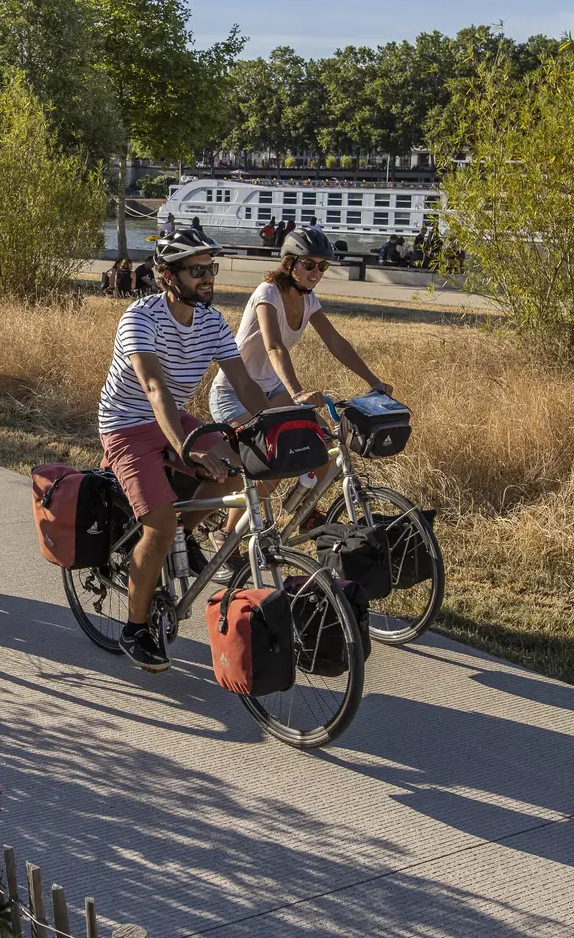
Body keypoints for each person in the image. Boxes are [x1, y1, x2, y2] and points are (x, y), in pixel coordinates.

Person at [97, 228, 271, 671]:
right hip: (127, 427)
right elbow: (153, 386)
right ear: (166, 276)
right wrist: (187, 449)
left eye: (211, 268)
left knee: (238, 469)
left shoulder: (212, 322)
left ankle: (186, 532)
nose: (208, 278)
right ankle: (135, 629)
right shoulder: (140, 318)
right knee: (158, 524)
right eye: (197, 270)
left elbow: (245, 383)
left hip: (175, 419)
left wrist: (279, 425)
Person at [210, 227, 391, 426]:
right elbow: (274, 346)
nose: (316, 273)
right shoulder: (268, 292)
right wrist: (298, 394)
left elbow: (335, 341)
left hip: (274, 389)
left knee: (322, 437)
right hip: (234, 391)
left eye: (323, 266)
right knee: (264, 448)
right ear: (289, 264)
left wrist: (373, 381)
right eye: (309, 264)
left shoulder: (309, 299)